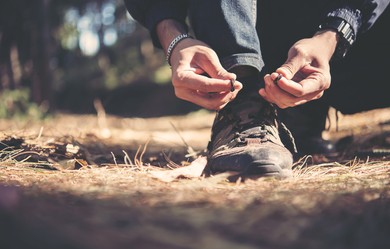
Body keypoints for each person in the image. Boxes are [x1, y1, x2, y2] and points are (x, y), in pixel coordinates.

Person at [124, 0, 390, 178]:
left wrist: (333, 35)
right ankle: (246, 101)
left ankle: (304, 113)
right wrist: (175, 41)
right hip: (249, 34)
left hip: (353, 48)